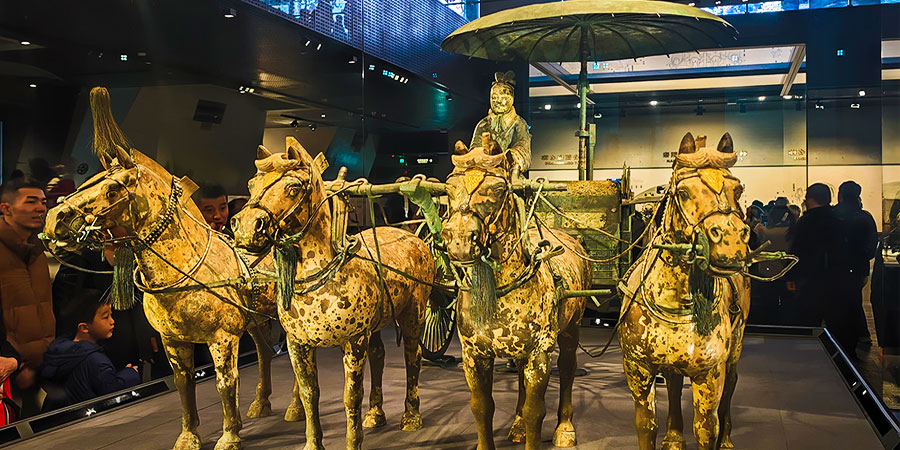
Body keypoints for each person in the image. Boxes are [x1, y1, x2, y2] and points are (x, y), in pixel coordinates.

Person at [0, 179, 54, 416]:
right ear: (6, 209)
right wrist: (15, 361)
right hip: (9, 369)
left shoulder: (38, 249)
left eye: (43, 202)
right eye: (31, 202)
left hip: (42, 366)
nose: (40, 208)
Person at [38, 291, 141, 411]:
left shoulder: (59, 352)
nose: (112, 321)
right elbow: (110, 393)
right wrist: (130, 374)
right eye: (105, 317)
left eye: (111, 315)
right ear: (84, 327)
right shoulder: (96, 360)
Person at [833, 181, 878, 347]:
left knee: (838, 301)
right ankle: (860, 335)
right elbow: (871, 248)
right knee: (854, 300)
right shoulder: (864, 217)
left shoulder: (833, 215)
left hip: (835, 267)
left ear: (841, 195)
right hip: (858, 267)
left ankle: (840, 337)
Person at [470, 70, 531, 177]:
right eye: (494, 97)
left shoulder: (519, 123)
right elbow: (475, 147)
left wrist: (509, 157)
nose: (498, 101)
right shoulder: (483, 124)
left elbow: (523, 148)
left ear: (512, 98)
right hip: (484, 170)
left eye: (503, 97)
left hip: (510, 172)